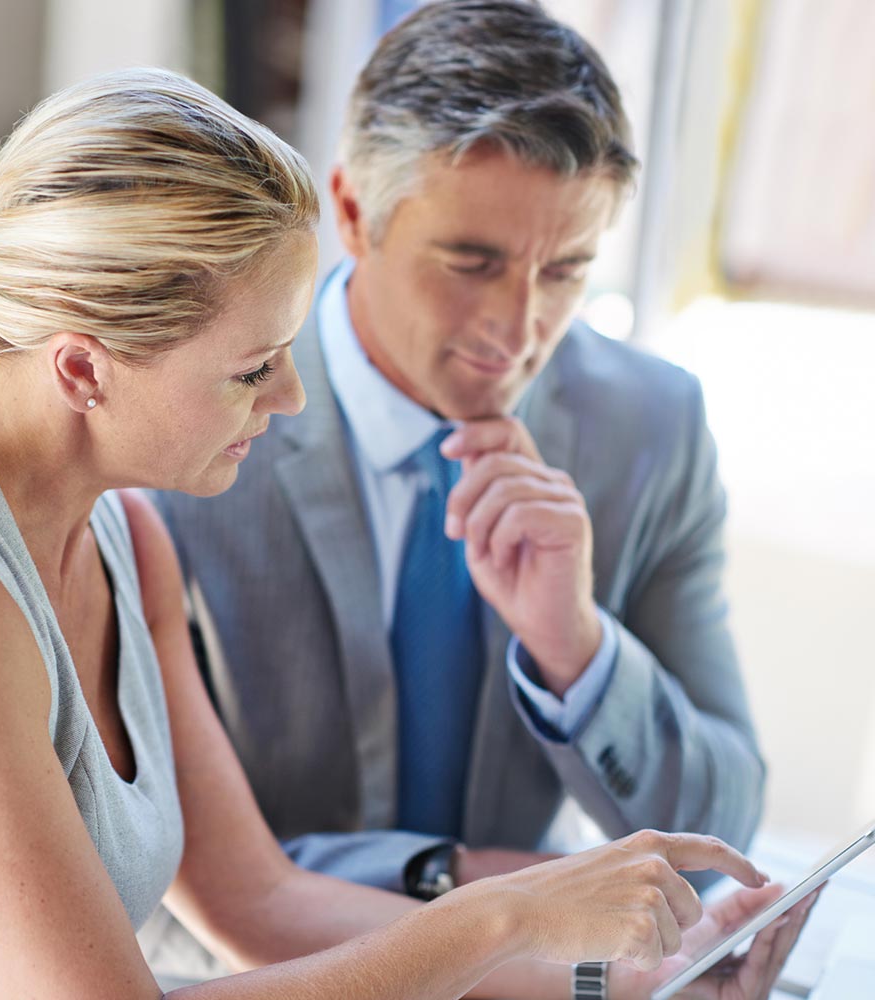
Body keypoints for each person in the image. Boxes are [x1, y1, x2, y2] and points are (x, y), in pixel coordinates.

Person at [0, 65, 811, 1000]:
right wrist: (506, 913)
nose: (291, 397)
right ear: (82, 368)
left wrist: (633, 981)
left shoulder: (124, 537)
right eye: (253, 370)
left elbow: (260, 901)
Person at [151, 0, 764, 937]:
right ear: (352, 212)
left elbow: (723, 835)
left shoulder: (653, 427)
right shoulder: (187, 422)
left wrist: (579, 652)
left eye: (565, 270)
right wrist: (463, 882)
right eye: (472, 262)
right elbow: (151, 858)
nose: (519, 333)